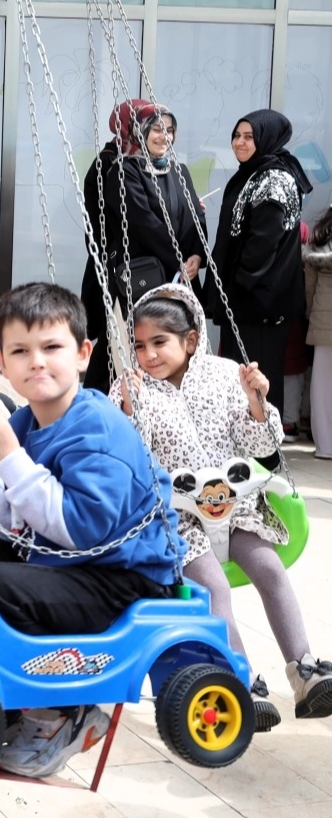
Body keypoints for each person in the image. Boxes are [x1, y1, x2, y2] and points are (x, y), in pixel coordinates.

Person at [0, 282, 183, 778]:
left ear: (82, 355)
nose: (36, 362)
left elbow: (81, 529)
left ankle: (65, 712)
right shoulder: (25, 422)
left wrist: (9, 459)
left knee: (0, 586)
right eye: (20, 351)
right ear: (2, 362)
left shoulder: (96, 428)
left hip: (127, 578)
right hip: (71, 561)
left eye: (52, 347)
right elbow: (7, 521)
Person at [114, 284, 332, 727]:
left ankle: (304, 670)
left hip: (235, 506)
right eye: (138, 345)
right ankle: (239, 680)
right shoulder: (134, 388)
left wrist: (256, 403)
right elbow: (131, 458)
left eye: (159, 342)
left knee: (270, 569)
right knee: (215, 589)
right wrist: (129, 409)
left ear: (190, 340)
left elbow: (261, 446)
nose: (148, 355)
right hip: (178, 518)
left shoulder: (225, 375)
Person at [80, 100, 207, 392]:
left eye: (170, 130)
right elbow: (143, 223)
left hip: (177, 277)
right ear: (139, 130)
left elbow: (195, 218)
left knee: (171, 351)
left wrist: (196, 256)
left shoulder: (178, 171)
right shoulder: (122, 169)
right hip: (139, 277)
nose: (165, 136)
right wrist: (179, 259)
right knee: (127, 349)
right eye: (157, 129)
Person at [208, 110, 312, 416]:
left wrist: (236, 287)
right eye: (236, 135)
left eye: (249, 137)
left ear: (267, 139)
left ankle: (263, 443)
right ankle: (245, 440)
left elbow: (262, 246)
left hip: (259, 306)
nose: (239, 143)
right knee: (241, 382)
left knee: (256, 382)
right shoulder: (255, 172)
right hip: (247, 304)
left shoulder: (273, 179)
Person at [304, 206, 332, 459]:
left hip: (324, 319)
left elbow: (309, 287)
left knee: (322, 386)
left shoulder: (319, 239)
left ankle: (325, 445)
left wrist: (310, 314)